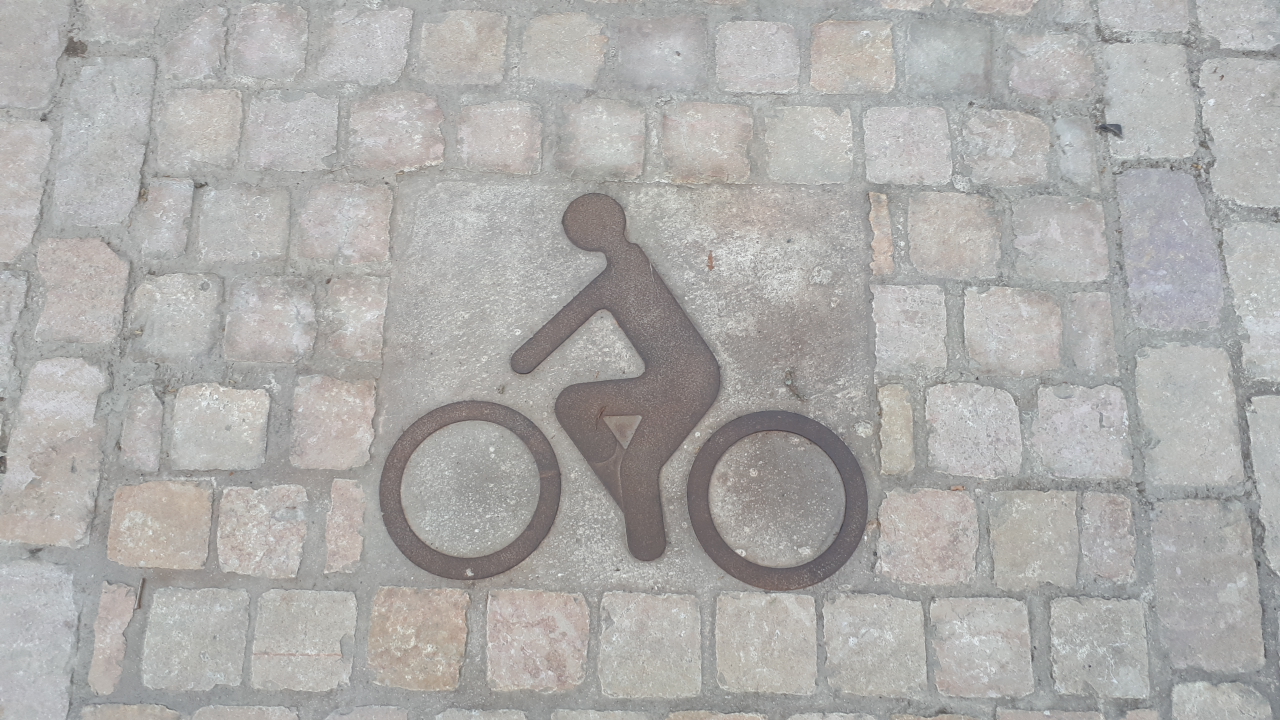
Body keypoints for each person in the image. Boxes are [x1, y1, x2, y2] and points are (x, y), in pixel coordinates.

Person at [511, 194, 721, 561]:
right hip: (667, 379)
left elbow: (547, 339)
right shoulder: (626, 269)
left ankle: (647, 540)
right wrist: (525, 358)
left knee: (639, 467)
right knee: (574, 404)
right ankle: (629, 492)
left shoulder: (619, 277)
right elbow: (549, 337)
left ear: (583, 239)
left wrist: (525, 358)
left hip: (687, 382)